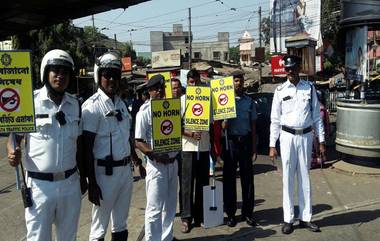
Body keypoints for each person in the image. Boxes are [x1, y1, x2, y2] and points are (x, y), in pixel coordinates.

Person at [6, 49, 85, 241]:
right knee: (38, 238)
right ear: (45, 73)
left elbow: (80, 144)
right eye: (55, 70)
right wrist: (11, 152)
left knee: (69, 237)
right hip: (39, 187)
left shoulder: (75, 105)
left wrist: (84, 177)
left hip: (70, 184)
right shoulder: (30, 102)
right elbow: (14, 136)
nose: (60, 76)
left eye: (65, 72)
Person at [82, 51, 144, 241]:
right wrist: (91, 182)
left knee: (121, 224)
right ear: (99, 76)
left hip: (125, 173)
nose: (111, 79)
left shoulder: (121, 104)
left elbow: (125, 137)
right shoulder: (91, 107)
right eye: (107, 75)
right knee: (99, 227)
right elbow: (85, 148)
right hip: (103, 175)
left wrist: (136, 161)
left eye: (115, 76)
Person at [269, 55, 326, 234]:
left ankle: (306, 217)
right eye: (287, 68)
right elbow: (275, 120)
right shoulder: (279, 91)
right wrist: (272, 145)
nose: (290, 71)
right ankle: (288, 219)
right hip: (286, 137)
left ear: (299, 67)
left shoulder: (309, 89)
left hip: (306, 136)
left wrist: (322, 141)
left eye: (293, 67)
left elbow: (317, 116)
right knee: (287, 178)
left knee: (304, 177)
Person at [135, 74, 179, 241]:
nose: (159, 91)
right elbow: (138, 141)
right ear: (149, 91)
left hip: (173, 163)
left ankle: (166, 238)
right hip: (156, 166)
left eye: (161, 88)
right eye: (155, 89)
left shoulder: (170, 108)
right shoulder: (144, 112)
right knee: (154, 209)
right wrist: (154, 154)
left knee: (170, 207)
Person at [221, 69, 258, 227]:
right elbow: (220, 127)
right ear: (231, 83)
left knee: (247, 179)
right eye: (235, 80)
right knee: (229, 179)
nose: (238, 83)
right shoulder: (224, 102)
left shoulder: (249, 101)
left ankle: (247, 213)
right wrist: (224, 123)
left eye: (240, 80)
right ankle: (230, 214)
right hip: (230, 142)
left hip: (245, 142)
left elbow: (253, 126)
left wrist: (254, 148)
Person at [180, 69, 211, 233]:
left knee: (202, 183)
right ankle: (186, 218)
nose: (194, 85)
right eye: (191, 82)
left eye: (196, 82)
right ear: (187, 83)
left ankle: (200, 217)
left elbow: (213, 121)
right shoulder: (182, 101)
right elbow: (175, 125)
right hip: (187, 147)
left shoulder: (207, 99)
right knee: (187, 184)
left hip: (204, 147)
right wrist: (189, 134)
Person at [311, 90, 330, 168]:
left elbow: (324, 121)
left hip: (316, 131)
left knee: (316, 147)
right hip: (317, 131)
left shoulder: (319, 108)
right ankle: (319, 161)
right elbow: (326, 121)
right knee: (317, 147)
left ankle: (317, 161)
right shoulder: (321, 108)